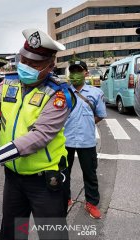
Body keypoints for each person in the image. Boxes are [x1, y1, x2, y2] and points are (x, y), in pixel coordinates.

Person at [0, 28, 76, 240]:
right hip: (14, 180)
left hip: (45, 181)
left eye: (34, 64)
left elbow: (39, 137)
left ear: (50, 66)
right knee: (14, 234)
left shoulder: (58, 94)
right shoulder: (9, 83)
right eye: (23, 60)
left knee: (51, 235)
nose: (26, 67)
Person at [64, 60, 106, 219]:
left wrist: (86, 124)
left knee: (90, 173)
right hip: (65, 140)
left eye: (78, 71)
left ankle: (92, 203)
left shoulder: (96, 93)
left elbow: (100, 115)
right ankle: (65, 198)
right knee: (63, 172)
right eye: (72, 71)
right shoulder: (64, 92)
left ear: (86, 73)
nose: (75, 75)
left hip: (86, 141)